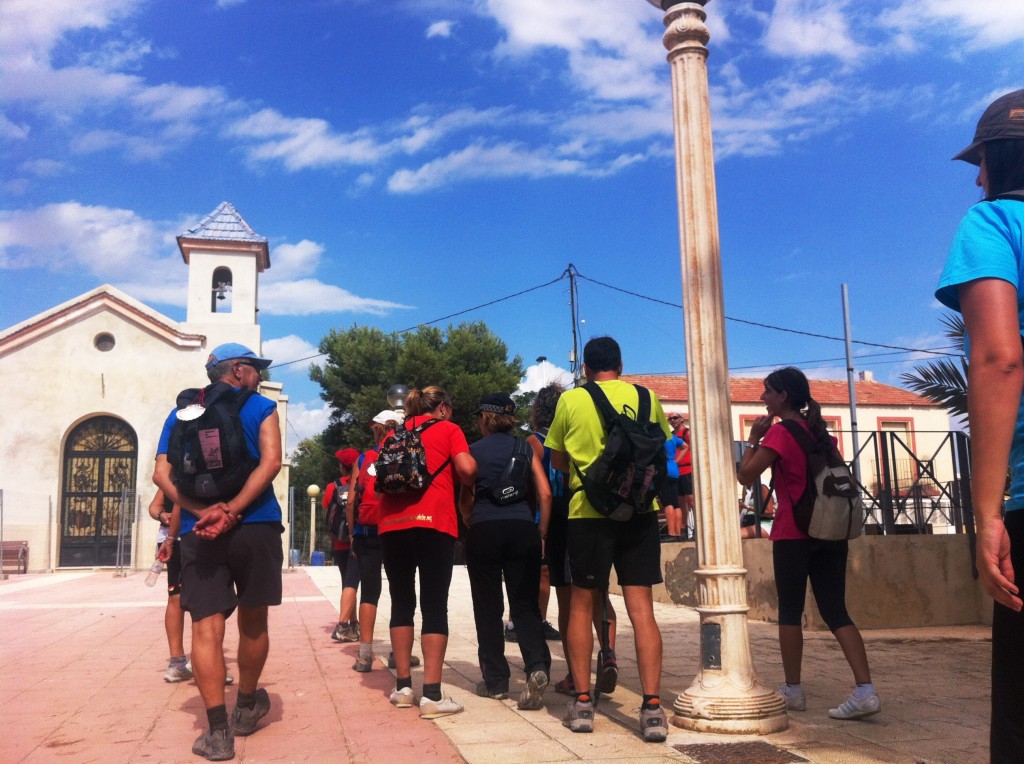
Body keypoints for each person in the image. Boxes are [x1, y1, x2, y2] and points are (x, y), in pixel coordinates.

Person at [934, 89, 1024, 764]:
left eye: (981, 160)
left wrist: (986, 514)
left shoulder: (992, 224)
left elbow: (997, 358)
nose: (975, 177)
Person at [153, 343, 283, 761]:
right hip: (256, 524)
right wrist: (233, 510)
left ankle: (217, 733)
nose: (259, 377)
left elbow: (160, 473)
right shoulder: (261, 407)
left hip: (197, 531)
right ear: (240, 371)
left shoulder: (181, 414)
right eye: (256, 370)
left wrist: (200, 511)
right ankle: (245, 706)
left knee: (205, 630)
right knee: (254, 621)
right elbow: (272, 462)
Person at [545, 336, 671, 742]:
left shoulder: (571, 400)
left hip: (588, 514)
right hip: (640, 513)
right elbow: (662, 446)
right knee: (642, 609)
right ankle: (652, 708)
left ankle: (583, 702)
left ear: (585, 367)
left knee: (582, 606)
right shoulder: (647, 397)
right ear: (621, 363)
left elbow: (559, 459)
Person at [736, 366, 879, 721]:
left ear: (783, 396)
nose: (762, 397)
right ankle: (865, 690)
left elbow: (745, 475)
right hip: (830, 530)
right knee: (835, 610)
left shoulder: (780, 434)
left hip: (793, 533)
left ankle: (793, 690)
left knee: (789, 611)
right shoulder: (820, 433)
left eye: (767, 391)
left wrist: (754, 439)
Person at [378, 386, 477, 719]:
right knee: (434, 604)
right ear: (444, 409)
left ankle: (403, 687)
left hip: (392, 526)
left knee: (401, 601)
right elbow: (466, 469)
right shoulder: (449, 430)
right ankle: (432, 696)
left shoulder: (391, 435)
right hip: (434, 523)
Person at [459, 392, 552, 709]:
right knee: (525, 606)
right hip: (523, 529)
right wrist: (540, 532)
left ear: (485, 418)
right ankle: (537, 667)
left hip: (485, 529)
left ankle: (496, 682)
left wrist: (469, 520)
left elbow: (465, 498)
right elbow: (545, 493)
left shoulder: (472, 451)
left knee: (487, 606)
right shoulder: (525, 447)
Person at [528, 384, 619, 699]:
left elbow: (542, 492)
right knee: (599, 594)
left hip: (560, 523)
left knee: (570, 600)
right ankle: (608, 652)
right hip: (594, 514)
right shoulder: (578, 430)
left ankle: (573, 674)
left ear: (538, 410)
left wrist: (539, 530)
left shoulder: (536, 442)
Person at [349, 410, 421, 672]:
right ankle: (398, 653)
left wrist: (352, 531)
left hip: (366, 530)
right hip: (395, 528)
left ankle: (364, 655)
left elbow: (353, 498)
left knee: (369, 591)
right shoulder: (403, 450)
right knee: (400, 592)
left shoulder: (364, 457)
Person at [149, 489, 191, 683]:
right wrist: (161, 515)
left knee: (201, 597)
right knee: (177, 596)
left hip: (191, 535)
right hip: (175, 539)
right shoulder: (170, 477)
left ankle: (204, 659)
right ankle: (178, 661)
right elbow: (154, 506)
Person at [323, 448, 360, 642]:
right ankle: (347, 625)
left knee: (347, 582)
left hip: (339, 543)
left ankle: (351, 624)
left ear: (342, 466)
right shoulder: (361, 483)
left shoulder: (333, 486)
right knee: (352, 584)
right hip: (358, 541)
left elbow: (326, 509)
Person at [661, 421, 685, 541]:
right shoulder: (673, 437)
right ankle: (678, 532)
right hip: (674, 470)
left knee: (667, 502)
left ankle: (671, 533)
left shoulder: (660, 438)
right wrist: (677, 459)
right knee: (676, 503)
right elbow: (685, 446)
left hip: (664, 470)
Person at [672, 415, 694, 539]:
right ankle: (684, 529)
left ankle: (699, 527)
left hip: (688, 469)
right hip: (677, 471)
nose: (672, 420)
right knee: (680, 501)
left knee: (691, 500)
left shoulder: (687, 433)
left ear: (681, 419)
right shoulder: (671, 435)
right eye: (670, 418)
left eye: (675, 417)